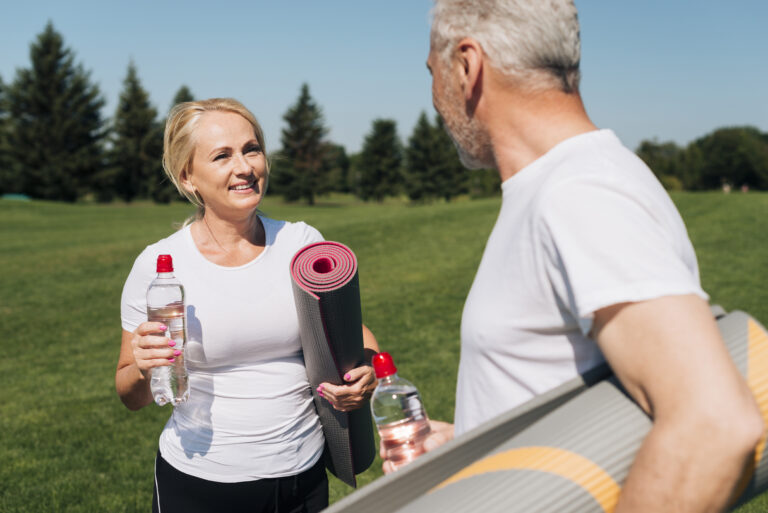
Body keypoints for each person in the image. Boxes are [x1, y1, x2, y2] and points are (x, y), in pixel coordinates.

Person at [382, 1, 765, 511]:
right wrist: (473, 443)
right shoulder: (564, 185)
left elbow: (714, 423)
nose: (434, 96)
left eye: (433, 72)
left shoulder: (581, 191)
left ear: (467, 66)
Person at [115, 98, 379, 513]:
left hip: (302, 478)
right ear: (188, 178)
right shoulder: (160, 266)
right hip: (200, 484)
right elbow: (129, 394)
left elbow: (353, 332)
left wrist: (367, 367)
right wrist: (146, 366)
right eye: (222, 156)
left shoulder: (301, 243)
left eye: (251, 149)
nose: (245, 167)